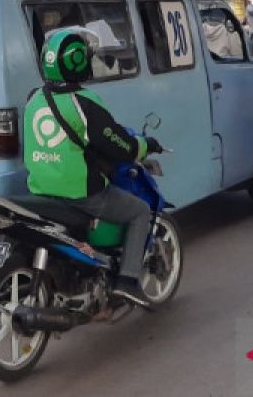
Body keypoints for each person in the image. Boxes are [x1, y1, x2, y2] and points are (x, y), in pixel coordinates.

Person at [22, 28, 163, 307]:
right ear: (79, 62)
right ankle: (127, 281)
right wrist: (146, 145)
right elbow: (121, 146)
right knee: (140, 211)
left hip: (40, 188)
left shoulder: (34, 98)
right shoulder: (84, 103)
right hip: (82, 194)